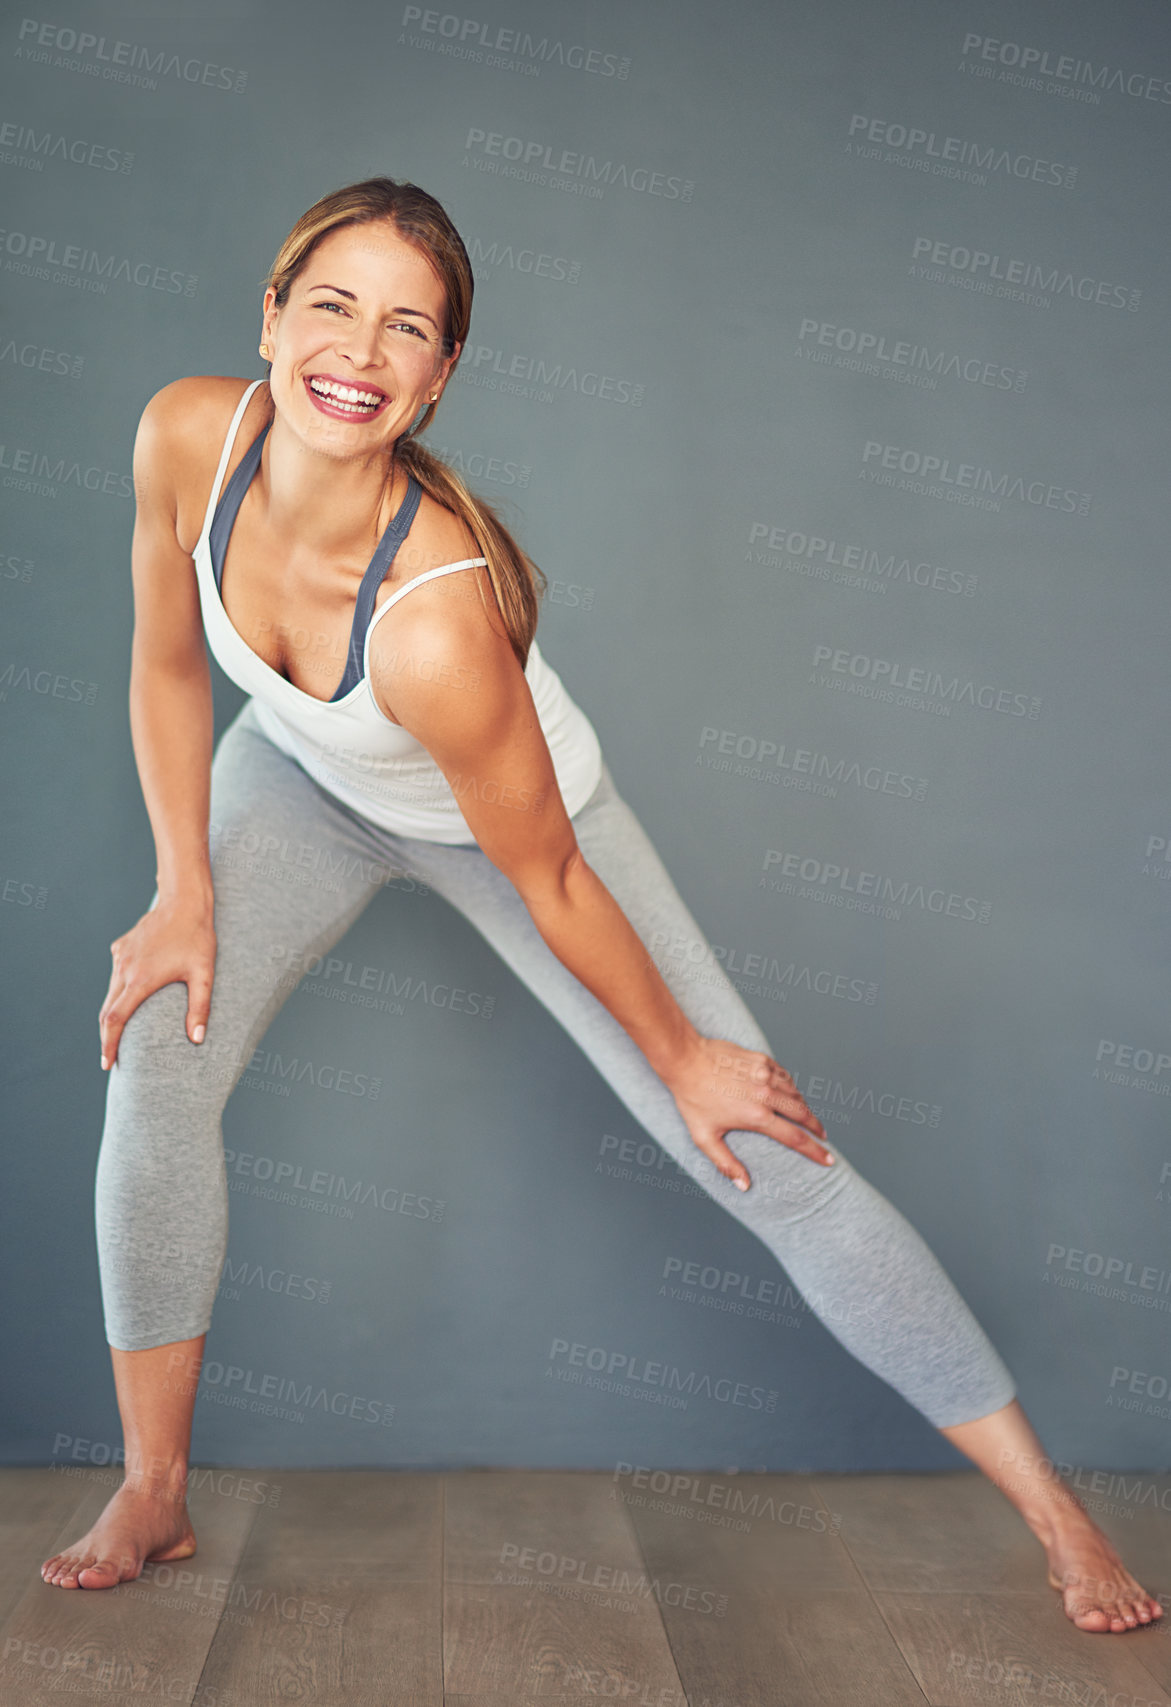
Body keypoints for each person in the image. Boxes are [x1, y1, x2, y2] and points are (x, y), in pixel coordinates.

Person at [40, 178, 1160, 1636]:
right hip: (304, 774)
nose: (358, 351)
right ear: (269, 314)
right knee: (157, 1051)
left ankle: (1060, 1517)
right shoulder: (188, 433)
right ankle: (156, 1489)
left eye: (406, 330)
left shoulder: (437, 623)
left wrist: (686, 1060)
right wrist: (184, 890)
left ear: (439, 379)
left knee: (765, 1154)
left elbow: (552, 874)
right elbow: (172, 665)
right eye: (330, 306)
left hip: (517, 832)